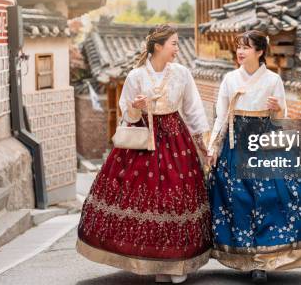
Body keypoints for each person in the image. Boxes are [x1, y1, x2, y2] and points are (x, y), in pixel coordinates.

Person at [77, 24, 212, 284]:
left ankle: (177, 263)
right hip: (143, 141)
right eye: (173, 43)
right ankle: (155, 262)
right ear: (158, 46)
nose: (177, 48)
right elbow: (126, 115)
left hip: (175, 140)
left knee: (176, 198)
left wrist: (202, 143)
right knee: (148, 201)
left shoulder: (182, 74)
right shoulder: (136, 76)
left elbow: (193, 110)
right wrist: (136, 108)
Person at [206, 30, 301, 283]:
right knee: (238, 200)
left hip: (264, 143)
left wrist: (277, 108)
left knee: (269, 198)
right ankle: (244, 256)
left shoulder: (272, 80)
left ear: (260, 52)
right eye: (239, 46)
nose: (240, 51)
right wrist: (213, 148)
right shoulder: (229, 79)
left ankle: (262, 261)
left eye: (246, 47)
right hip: (235, 147)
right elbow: (221, 117)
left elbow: (280, 120)